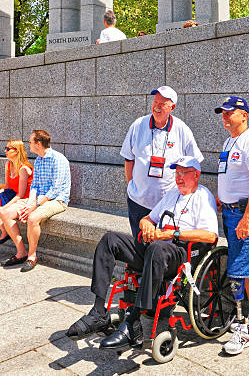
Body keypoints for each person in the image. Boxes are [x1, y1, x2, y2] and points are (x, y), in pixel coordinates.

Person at [66, 156, 218, 351]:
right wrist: (146, 224)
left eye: (183, 173)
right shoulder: (172, 194)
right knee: (110, 240)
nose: (178, 177)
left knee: (157, 248)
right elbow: (149, 217)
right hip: (155, 248)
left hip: (179, 255)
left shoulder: (202, 197)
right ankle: (98, 312)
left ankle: (134, 322)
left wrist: (174, 233)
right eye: (176, 173)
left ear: (196, 174)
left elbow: (210, 235)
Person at [214, 96, 249, 355]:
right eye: (222, 113)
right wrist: (221, 198)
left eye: (229, 112)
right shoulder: (229, 141)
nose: (224, 117)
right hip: (230, 212)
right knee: (247, 264)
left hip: (245, 213)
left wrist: (247, 218)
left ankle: (242, 326)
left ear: (244, 115)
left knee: (238, 269)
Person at [121, 85, 203, 239]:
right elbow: (128, 158)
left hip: (168, 203)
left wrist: (187, 196)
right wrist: (132, 184)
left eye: (162, 103)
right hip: (138, 201)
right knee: (139, 248)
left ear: (172, 107)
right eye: (155, 102)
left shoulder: (182, 129)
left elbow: (195, 164)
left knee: (161, 250)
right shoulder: (138, 125)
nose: (156, 107)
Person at [0, 130, 71, 272]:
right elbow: (35, 185)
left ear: (38, 143)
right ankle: (21, 252)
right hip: (38, 198)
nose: (29, 144)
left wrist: (36, 205)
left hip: (56, 200)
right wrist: (31, 202)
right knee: (5, 213)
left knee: (32, 218)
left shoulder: (58, 159)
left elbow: (56, 189)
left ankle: (32, 257)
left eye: (31, 142)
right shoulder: (39, 160)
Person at [0, 140, 33, 244]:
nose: (5, 151)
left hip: (23, 198)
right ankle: (3, 229)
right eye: (6, 148)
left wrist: (5, 207)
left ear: (17, 151)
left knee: (2, 209)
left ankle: (4, 232)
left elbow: (21, 195)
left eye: (8, 149)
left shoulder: (23, 169)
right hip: (11, 194)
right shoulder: (8, 164)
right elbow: (7, 186)